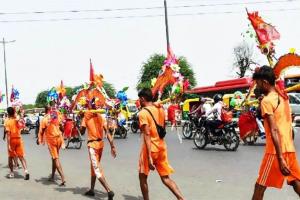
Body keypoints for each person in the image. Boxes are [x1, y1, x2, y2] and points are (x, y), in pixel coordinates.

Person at [251, 66, 300, 200]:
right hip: (289, 148)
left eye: (258, 83)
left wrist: (279, 158)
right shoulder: (283, 97)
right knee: (295, 181)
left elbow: (274, 129)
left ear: (265, 82)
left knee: (260, 186)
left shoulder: (268, 101)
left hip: (275, 151)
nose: (257, 86)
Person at [137, 88, 185, 200]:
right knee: (166, 178)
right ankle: (182, 198)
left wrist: (149, 157)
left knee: (142, 177)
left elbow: (147, 134)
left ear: (143, 99)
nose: (139, 101)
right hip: (162, 146)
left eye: (139, 99)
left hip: (151, 149)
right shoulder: (160, 109)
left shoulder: (143, 113)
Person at [79, 99, 116, 200]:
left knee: (96, 169)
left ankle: (109, 190)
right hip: (100, 145)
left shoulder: (91, 117)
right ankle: (92, 189)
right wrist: (112, 145)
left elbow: (81, 132)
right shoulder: (99, 116)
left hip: (93, 146)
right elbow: (107, 133)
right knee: (94, 167)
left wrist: (81, 118)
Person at [38, 104, 66, 186]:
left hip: (51, 140)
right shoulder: (55, 115)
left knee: (55, 158)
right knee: (54, 158)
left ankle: (63, 178)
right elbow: (61, 126)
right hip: (59, 139)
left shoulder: (44, 119)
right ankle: (53, 176)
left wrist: (39, 140)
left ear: (45, 110)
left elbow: (41, 131)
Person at [3, 107, 30, 180]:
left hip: (12, 140)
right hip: (19, 139)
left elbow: (8, 134)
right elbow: (21, 125)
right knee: (21, 157)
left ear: (8, 113)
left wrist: (8, 145)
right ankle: (26, 171)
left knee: (10, 157)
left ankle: (11, 173)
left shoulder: (7, 121)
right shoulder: (16, 120)